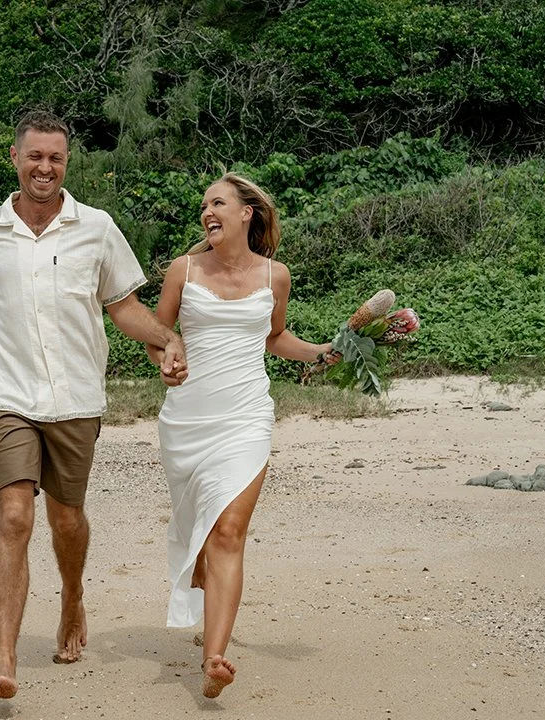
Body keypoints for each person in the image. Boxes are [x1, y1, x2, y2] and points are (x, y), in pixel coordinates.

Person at [0, 109, 187, 700]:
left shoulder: (98, 227)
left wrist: (167, 338)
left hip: (77, 395)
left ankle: (73, 598)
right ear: (15, 158)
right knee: (14, 516)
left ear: (67, 162)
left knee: (65, 518)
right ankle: (4, 658)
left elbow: (124, 307)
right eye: (34, 156)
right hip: (8, 397)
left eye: (55, 157)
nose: (44, 167)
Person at [146, 172, 333, 698]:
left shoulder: (276, 275)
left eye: (219, 202)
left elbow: (275, 338)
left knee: (228, 531)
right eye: (204, 204)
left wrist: (322, 351)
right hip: (187, 420)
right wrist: (166, 357)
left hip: (247, 417)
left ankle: (214, 657)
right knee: (202, 532)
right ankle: (204, 585)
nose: (208, 211)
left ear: (247, 213)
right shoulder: (182, 270)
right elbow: (156, 336)